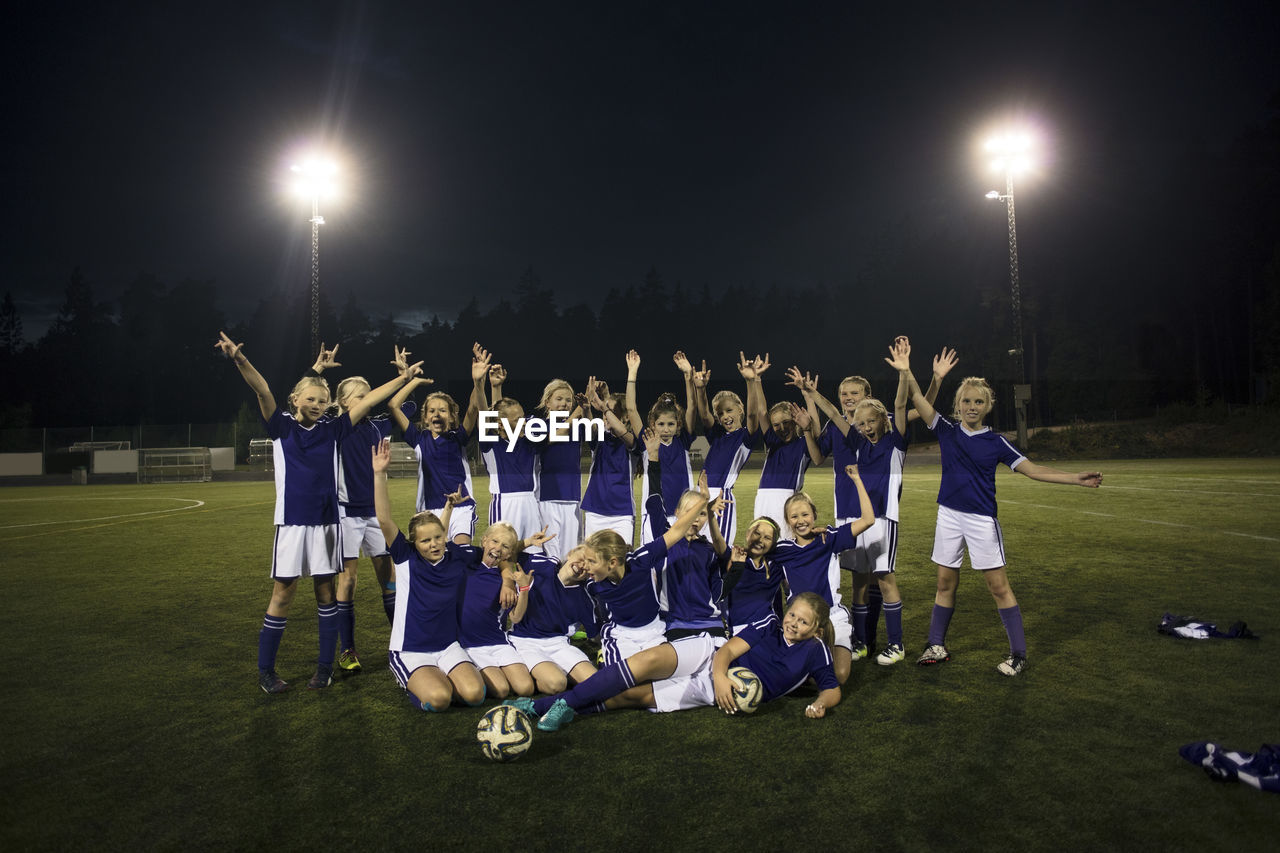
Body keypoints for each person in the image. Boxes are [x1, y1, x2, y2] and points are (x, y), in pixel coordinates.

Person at [215, 331, 422, 694]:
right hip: (292, 525)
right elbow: (262, 390)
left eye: (324, 401)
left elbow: (370, 399)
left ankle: (324, 669)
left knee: (326, 594)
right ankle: (266, 672)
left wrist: (403, 379)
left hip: (328, 524)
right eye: (311, 399)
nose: (317, 405)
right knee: (282, 594)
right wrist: (240, 360)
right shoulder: (281, 426)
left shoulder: (335, 427)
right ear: (295, 399)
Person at [886, 336, 1103, 676]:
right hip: (948, 515)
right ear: (958, 405)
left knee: (997, 586)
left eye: (978, 402)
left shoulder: (997, 441)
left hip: (981, 521)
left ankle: (1018, 654)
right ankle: (936, 644)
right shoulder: (946, 430)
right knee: (944, 583)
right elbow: (916, 399)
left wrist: (1075, 478)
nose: (971, 406)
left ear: (987, 406)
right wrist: (909, 371)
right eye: (966, 401)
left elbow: (1033, 470)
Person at [505, 592, 841, 732]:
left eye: (803, 622)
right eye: (793, 614)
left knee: (632, 697)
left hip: (714, 691)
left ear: (817, 630)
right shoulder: (769, 621)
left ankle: (560, 709)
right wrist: (721, 675)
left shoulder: (816, 651)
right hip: (712, 656)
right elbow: (726, 651)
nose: (793, 623)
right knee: (646, 661)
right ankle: (543, 706)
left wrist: (820, 704)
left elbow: (832, 688)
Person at [372, 439, 487, 710]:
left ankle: (439, 678)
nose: (433, 544)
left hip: (447, 646)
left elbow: (493, 554)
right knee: (440, 699)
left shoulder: (455, 555)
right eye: (425, 541)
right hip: (411, 649)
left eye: (437, 538)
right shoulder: (405, 557)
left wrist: (510, 573)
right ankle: (417, 684)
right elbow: (384, 520)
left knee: (475, 695)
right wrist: (379, 474)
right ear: (414, 543)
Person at [771, 465, 876, 684]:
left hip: (832, 617)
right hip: (798, 621)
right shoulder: (781, 550)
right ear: (787, 521)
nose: (800, 520)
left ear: (814, 515)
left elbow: (868, 520)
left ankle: (816, 662)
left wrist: (857, 479)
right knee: (786, 672)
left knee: (839, 675)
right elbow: (752, 553)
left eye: (805, 514)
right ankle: (808, 665)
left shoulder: (828, 539)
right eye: (794, 516)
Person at [389, 343, 491, 544]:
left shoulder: (458, 437)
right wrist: (411, 381)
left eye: (443, 410)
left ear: (453, 417)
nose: (437, 414)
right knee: (433, 563)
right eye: (432, 411)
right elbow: (393, 405)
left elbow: (473, 408)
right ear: (425, 418)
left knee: (460, 554)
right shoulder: (419, 440)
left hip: (461, 507)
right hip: (429, 510)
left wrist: (479, 381)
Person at [456, 517, 551, 700]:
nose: (498, 548)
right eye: (494, 541)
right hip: (471, 645)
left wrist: (523, 589)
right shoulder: (466, 565)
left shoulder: (508, 577)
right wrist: (528, 542)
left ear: (509, 554)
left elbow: (515, 617)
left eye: (505, 547)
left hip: (498, 641)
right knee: (501, 690)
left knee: (525, 688)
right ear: (484, 540)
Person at [687, 351, 761, 547]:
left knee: (718, 549)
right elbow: (704, 415)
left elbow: (754, 415)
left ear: (740, 409)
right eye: (720, 413)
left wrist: (750, 382)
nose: (725, 416)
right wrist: (700, 389)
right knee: (693, 545)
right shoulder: (718, 435)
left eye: (729, 410)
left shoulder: (746, 437)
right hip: (699, 494)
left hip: (721, 496)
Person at [507, 544, 600, 694]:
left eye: (587, 567)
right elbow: (508, 553)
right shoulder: (540, 564)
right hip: (525, 641)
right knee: (557, 684)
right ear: (570, 553)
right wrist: (526, 542)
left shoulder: (585, 599)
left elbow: (595, 634)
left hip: (558, 643)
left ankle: (553, 671)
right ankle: (542, 674)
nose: (582, 566)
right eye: (582, 559)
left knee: (595, 682)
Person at [580, 355, 644, 543]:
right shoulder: (601, 438)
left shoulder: (633, 443)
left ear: (625, 418)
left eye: (611, 412)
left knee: (620, 568)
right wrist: (586, 408)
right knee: (592, 564)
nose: (606, 415)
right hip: (594, 510)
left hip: (622, 513)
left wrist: (604, 406)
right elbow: (590, 426)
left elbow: (621, 428)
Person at [636, 351, 696, 544]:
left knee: (683, 566)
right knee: (654, 568)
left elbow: (692, 407)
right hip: (654, 516)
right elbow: (631, 409)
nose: (665, 429)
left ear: (678, 425)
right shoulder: (648, 441)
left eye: (670, 424)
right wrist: (632, 373)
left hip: (683, 514)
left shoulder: (683, 442)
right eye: (661, 424)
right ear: (653, 424)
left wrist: (688, 376)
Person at [477, 363, 542, 540]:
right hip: (504, 503)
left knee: (533, 552)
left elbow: (499, 412)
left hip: (530, 502)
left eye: (523, 416)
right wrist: (480, 384)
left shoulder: (529, 440)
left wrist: (497, 387)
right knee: (502, 556)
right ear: (500, 424)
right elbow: (487, 414)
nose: (524, 421)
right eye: (518, 419)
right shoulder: (492, 443)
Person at [751, 354, 812, 540]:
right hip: (762, 498)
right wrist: (757, 379)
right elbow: (761, 412)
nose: (781, 428)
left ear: (795, 421)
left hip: (787, 500)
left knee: (786, 546)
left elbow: (813, 427)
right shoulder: (772, 441)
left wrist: (808, 394)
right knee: (763, 546)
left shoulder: (804, 444)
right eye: (776, 425)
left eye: (786, 422)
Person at [530, 377, 586, 561]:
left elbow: (593, 432)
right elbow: (553, 436)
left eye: (568, 400)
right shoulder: (538, 425)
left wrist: (587, 408)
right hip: (547, 498)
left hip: (572, 498)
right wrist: (578, 411)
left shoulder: (576, 426)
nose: (564, 403)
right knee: (550, 552)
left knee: (571, 555)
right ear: (547, 402)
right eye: (559, 399)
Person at [721, 516, 786, 635]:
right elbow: (718, 544)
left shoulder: (775, 567)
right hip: (738, 631)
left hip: (769, 631)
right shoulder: (734, 557)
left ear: (772, 545)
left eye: (767, 538)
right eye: (757, 533)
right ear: (748, 534)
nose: (760, 540)